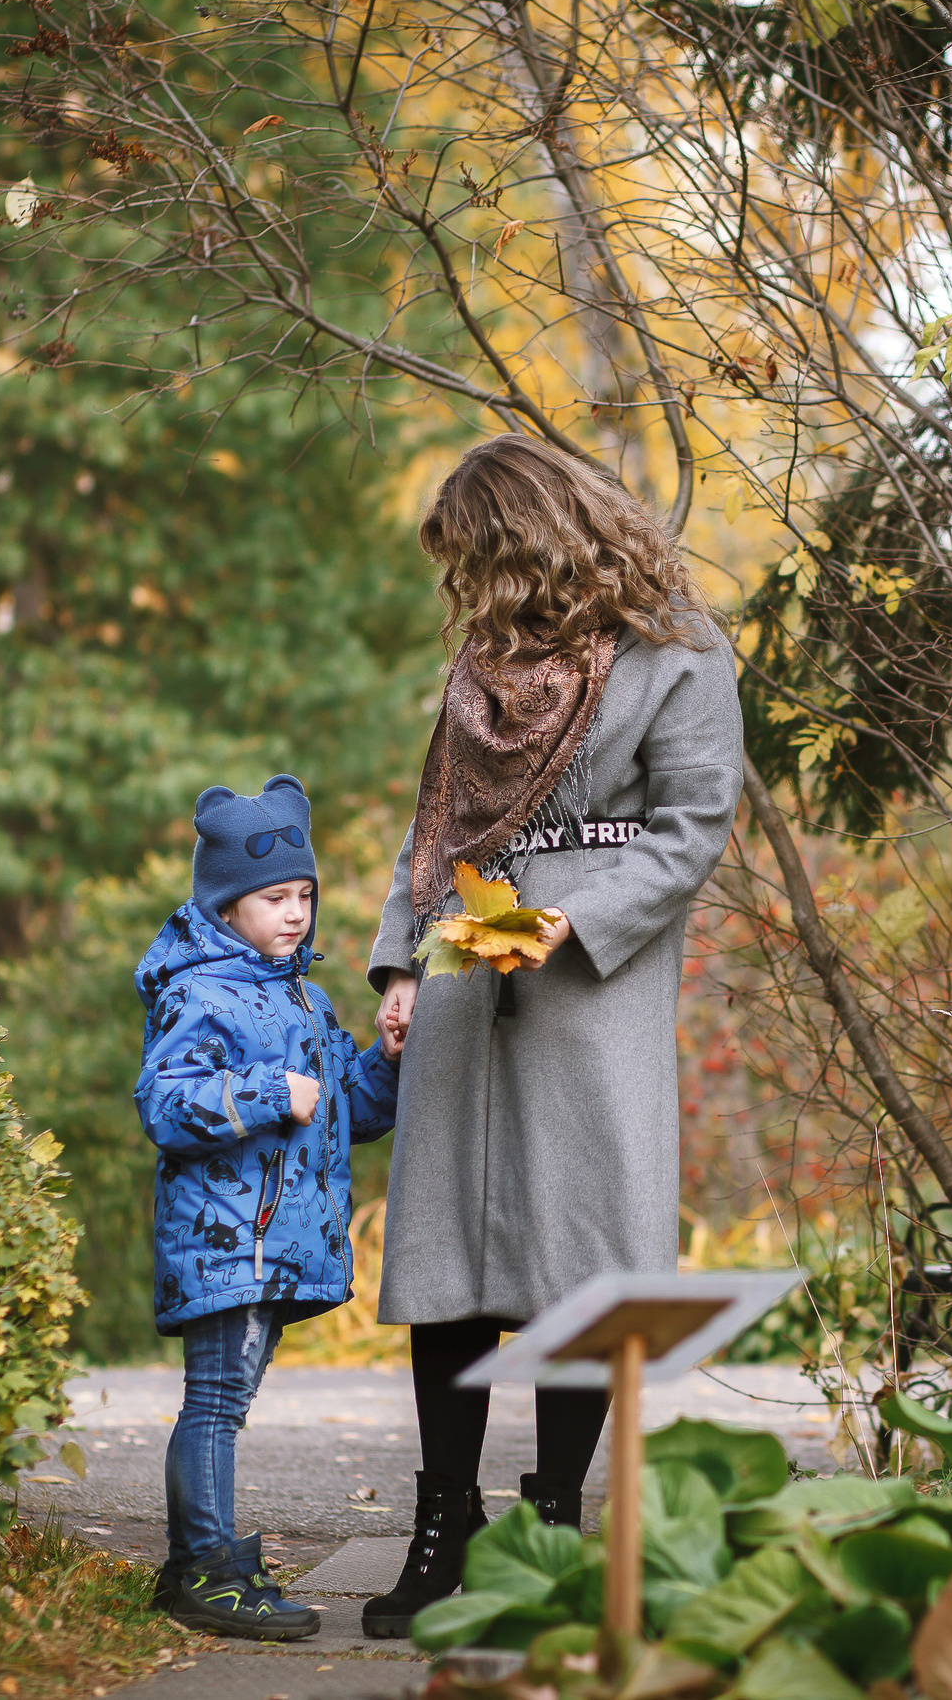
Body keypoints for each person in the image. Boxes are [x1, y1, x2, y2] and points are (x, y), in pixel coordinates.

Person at [357, 433, 744, 1638]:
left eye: (482, 558)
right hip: (465, 978)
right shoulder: (483, 666)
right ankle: (442, 1526)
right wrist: (397, 962)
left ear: (537, 540)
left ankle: (551, 1529)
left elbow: (692, 827)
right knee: (444, 1269)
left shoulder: (677, 655)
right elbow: (438, 826)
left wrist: (571, 916)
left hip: (589, 990)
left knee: (581, 1266)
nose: (470, 588)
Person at [133, 774, 402, 1640]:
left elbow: (339, 1111)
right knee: (214, 1400)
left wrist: (386, 1060)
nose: (293, 913)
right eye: (271, 897)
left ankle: (197, 1562)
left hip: (270, 1247)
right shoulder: (198, 991)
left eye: (303, 895)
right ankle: (207, 1571)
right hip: (222, 1240)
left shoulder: (306, 997)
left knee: (227, 1399)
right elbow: (164, 1103)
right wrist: (258, 1088)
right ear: (224, 904)